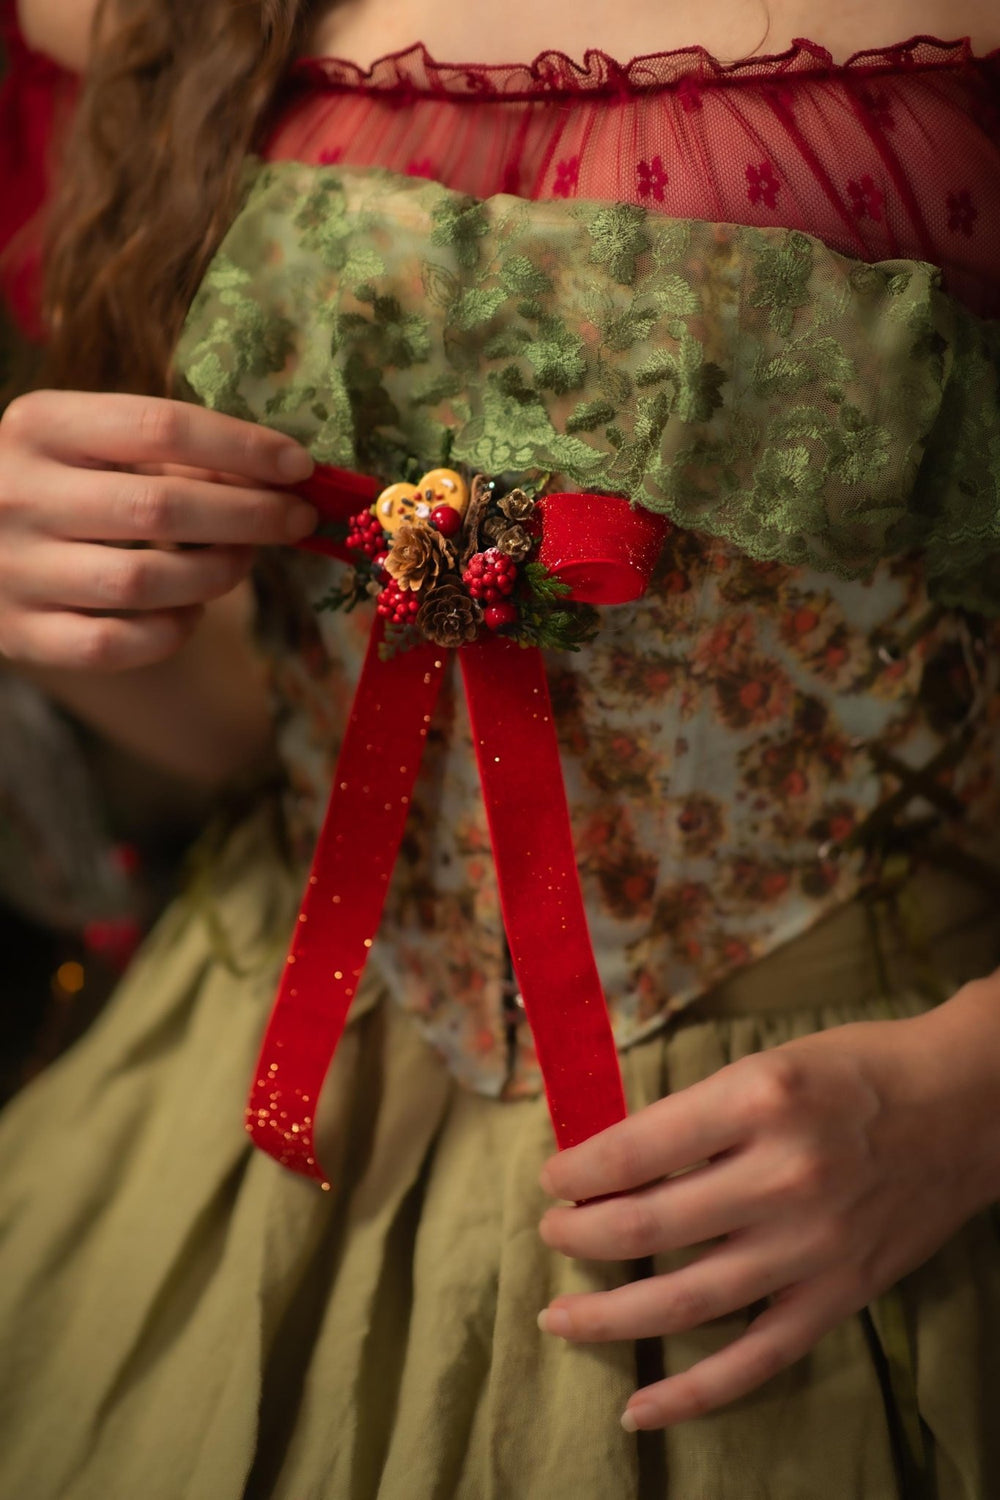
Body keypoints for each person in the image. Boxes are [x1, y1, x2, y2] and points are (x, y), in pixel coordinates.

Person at [0, 0, 999, 1495]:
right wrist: (60, 588)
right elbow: (245, 723)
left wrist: (970, 1101)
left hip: (840, 1149)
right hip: (268, 1084)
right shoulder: (148, 12)